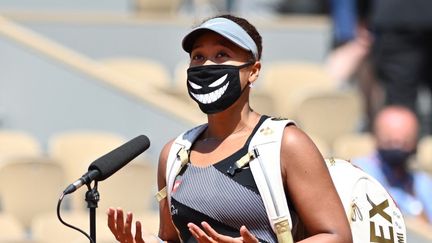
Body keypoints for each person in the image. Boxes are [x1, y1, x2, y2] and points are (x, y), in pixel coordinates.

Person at [106, 14, 352, 243]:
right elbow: (171, 238)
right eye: (198, 56)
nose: (206, 66)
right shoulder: (173, 155)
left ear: (253, 71)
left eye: (222, 55)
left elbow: (337, 236)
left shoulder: (285, 143)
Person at [352, 105, 432, 223]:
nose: (397, 147)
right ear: (376, 137)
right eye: (390, 141)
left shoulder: (421, 182)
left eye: (405, 142)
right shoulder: (360, 173)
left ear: (415, 142)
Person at [369, 0, 432, 135]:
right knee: (400, 105)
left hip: (396, 17)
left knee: (400, 101)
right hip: (397, 19)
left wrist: (361, 15)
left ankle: (401, 148)